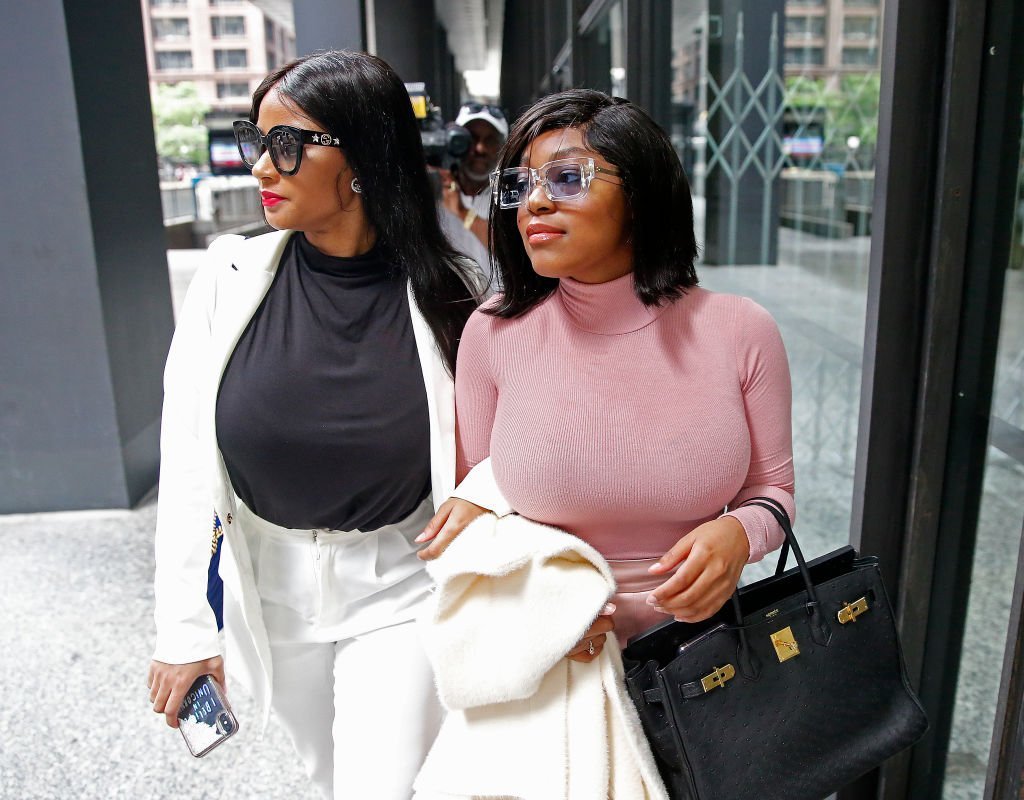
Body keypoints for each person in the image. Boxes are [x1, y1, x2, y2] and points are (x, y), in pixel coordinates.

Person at [147, 50, 492, 800]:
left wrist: (485, 500)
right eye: (256, 142)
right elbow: (185, 467)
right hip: (269, 591)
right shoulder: (227, 279)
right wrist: (184, 630)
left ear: (363, 158)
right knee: (326, 776)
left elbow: (511, 440)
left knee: (382, 787)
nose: (261, 169)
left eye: (286, 145)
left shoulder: (454, 294)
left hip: (400, 584)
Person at [421, 89, 795, 664]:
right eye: (520, 186)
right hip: (547, 655)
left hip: (708, 662)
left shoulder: (740, 329)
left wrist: (741, 535)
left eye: (567, 179)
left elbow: (773, 490)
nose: (534, 205)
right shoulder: (492, 333)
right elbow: (478, 507)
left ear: (642, 196)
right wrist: (539, 598)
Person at [438, 103, 508, 255]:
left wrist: (463, 213)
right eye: (472, 138)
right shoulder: (436, 189)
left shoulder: (510, 194)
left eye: (490, 140)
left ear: (503, 147)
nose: (480, 148)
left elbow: (512, 252)